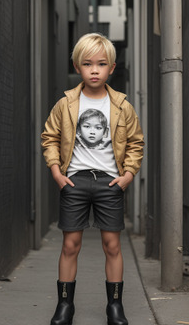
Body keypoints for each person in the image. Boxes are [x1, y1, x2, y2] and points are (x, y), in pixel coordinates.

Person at [41, 33, 144, 325]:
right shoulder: (66, 104)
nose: (95, 70)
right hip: (74, 182)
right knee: (70, 245)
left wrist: (127, 176)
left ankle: (115, 307)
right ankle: (65, 306)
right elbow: (50, 137)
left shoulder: (122, 105)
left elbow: (136, 142)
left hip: (110, 183)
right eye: (87, 64)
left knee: (112, 245)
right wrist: (57, 173)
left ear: (112, 67)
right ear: (77, 66)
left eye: (101, 64)